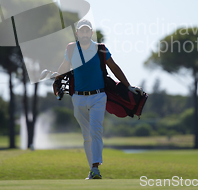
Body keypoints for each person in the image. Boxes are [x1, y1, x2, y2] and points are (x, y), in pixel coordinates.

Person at [54, 19, 142, 180]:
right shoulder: (71, 49)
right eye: (82, 31)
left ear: (91, 33)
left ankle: (95, 168)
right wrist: (56, 78)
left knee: (96, 131)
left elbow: (114, 67)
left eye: (87, 31)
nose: (85, 33)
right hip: (78, 98)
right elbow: (65, 65)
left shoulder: (100, 49)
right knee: (86, 136)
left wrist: (128, 86)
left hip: (98, 96)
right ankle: (92, 169)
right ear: (77, 33)